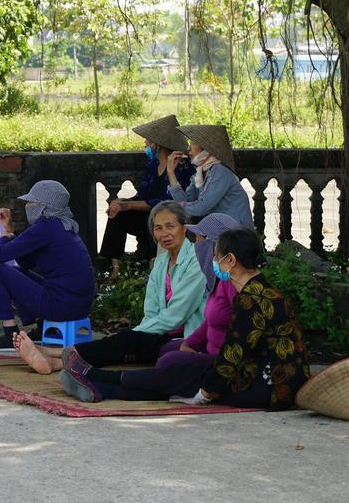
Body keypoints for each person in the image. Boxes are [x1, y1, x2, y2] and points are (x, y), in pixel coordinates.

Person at [61, 227, 311, 409]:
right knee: (183, 374)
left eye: (217, 255)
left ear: (231, 260)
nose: (213, 260)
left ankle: (95, 377)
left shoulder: (252, 298)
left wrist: (204, 394)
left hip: (270, 386)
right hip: (263, 375)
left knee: (184, 378)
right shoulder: (260, 290)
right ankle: (101, 386)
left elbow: (233, 353)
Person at [52, 213, 241, 401]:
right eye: (158, 228)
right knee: (166, 356)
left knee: (170, 363)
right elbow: (207, 323)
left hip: (223, 361)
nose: (197, 244)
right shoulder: (218, 280)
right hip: (201, 347)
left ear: (218, 247)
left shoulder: (240, 287)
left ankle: (96, 379)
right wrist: (190, 344)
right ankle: (98, 386)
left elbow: (240, 340)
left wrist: (208, 386)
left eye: (201, 240)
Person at [13, 201, 206, 372]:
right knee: (124, 345)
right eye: (158, 228)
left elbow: (176, 315)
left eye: (170, 226)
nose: (164, 234)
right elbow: (151, 310)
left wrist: (138, 333)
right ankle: (58, 360)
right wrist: (141, 333)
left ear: (184, 227)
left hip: (187, 336)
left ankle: (56, 355)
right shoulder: (161, 263)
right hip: (161, 332)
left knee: (126, 341)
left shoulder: (196, 262)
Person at [0, 180, 96, 353]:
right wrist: (12, 233)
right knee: (17, 272)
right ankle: (42, 328)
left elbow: (0, 255)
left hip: (62, 306)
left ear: (43, 207)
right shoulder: (63, 225)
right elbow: (24, 262)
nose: (27, 206)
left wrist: (6, 233)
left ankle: (11, 335)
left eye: (31, 202)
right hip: (78, 306)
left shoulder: (46, 227)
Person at [100, 114, 195, 277]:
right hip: (147, 214)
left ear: (158, 144)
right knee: (118, 214)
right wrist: (123, 202)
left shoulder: (183, 167)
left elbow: (167, 201)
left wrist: (129, 205)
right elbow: (142, 194)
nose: (145, 144)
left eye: (148, 141)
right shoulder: (153, 165)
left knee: (156, 217)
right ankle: (115, 268)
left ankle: (153, 265)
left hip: (168, 216)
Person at [166, 124, 254, 228]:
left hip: (238, 235)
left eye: (193, 143)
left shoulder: (220, 171)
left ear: (206, 148)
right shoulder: (200, 172)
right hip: (221, 232)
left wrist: (172, 207)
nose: (188, 148)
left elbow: (202, 207)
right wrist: (170, 171)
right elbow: (186, 202)